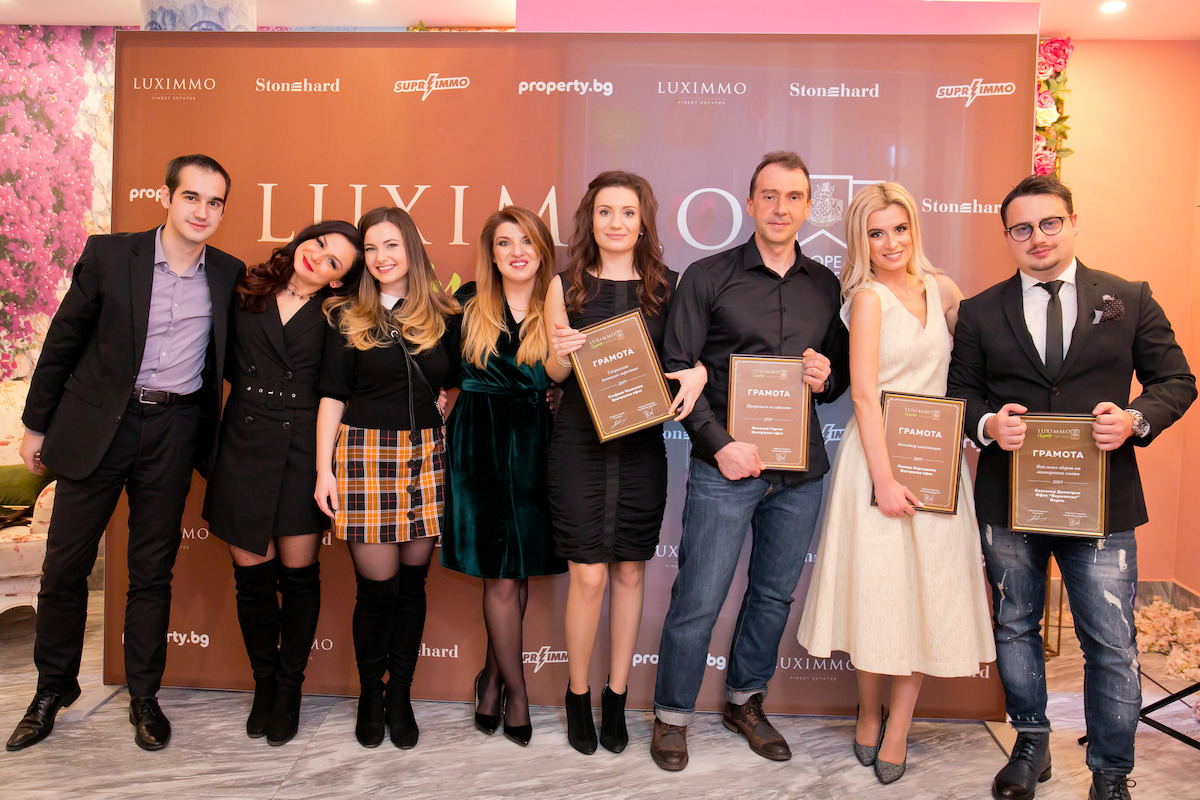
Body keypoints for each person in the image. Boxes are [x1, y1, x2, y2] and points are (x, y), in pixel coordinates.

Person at [947, 174, 1195, 800]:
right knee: (1015, 625)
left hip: (1102, 503)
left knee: (1110, 642)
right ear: (1008, 236)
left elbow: (1176, 380)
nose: (1038, 237)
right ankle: (1031, 745)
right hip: (1011, 500)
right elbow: (960, 394)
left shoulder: (1128, 298)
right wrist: (987, 424)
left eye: (1050, 222)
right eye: (1022, 228)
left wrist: (1135, 419)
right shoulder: (980, 310)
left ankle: (1110, 774)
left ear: (1073, 223)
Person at [7, 154, 243, 752]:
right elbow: (63, 341)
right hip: (99, 428)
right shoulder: (111, 255)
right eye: (191, 197)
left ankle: (144, 695)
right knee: (64, 567)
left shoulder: (228, 274)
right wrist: (36, 426)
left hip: (174, 431)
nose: (202, 211)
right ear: (167, 197)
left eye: (215, 202)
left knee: (152, 572)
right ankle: (52, 689)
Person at [650, 151, 850, 771]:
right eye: (769, 195)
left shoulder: (826, 286)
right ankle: (672, 715)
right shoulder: (707, 276)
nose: (780, 208)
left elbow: (836, 378)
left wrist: (825, 377)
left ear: (808, 207)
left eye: (793, 197)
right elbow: (675, 370)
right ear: (749, 203)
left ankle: (745, 702)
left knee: (772, 597)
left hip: (800, 473)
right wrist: (720, 445)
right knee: (699, 596)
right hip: (725, 468)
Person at [795, 183, 995, 784]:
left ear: (914, 229)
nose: (890, 243)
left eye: (899, 229)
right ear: (861, 240)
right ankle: (867, 711)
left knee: (926, 595)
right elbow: (861, 395)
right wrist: (883, 481)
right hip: (876, 458)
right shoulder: (867, 299)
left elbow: (974, 365)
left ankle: (900, 727)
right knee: (879, 592)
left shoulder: (945, 291)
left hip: (936, 458)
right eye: (875, 233)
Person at [543, 172, 706, 756]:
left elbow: (687, 359)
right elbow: (554, 374)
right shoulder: (564, 285)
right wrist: (562, 353)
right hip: (578, 445)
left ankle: (616, 696)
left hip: (640, 446)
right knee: (587, 576)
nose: (616, 222)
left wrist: (697, 374)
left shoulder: (670, 287)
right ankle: (577, 695)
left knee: (631, 573)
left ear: (643, 222)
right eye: (605, 211)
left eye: (628, 212)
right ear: (589, 220)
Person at [203, 221, 364, 745]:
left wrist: (324, 469)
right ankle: (265, 684)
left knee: (298, 579)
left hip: (303, 450)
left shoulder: (339, 316)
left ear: (338, 280)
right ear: (302, 240)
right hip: (242, 445)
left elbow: (338, 391)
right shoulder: (245, 288)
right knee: (252, 582)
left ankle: (291, 687)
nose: (318, 256)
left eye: (334, 261)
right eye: (319, 243)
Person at [315, 206, 460, 750]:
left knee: (412, 588)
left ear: (412, 248)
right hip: (363, 455)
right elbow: (333, 396)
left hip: (426, 455)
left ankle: (400, 695)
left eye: (391, 245)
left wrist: (445, 405)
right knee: (376, 591)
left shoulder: (445, 314)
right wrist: (323, 469)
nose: (380, 258)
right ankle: (370, 697)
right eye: (371, 248)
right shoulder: (345, 315)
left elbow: (459, 380)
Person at [440, 206, 565, 747]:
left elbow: (575, 372)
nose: (517, 252)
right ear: (490, 254)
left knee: (518, 571)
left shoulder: (558, 303)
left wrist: (557, 395)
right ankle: (517, 692)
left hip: (538, 443)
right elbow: (438, 370)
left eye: (527, 242)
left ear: (542, 251)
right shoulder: (465, 303)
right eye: (505, 243)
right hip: (479, 441)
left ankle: (491, 681)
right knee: (500, 574)